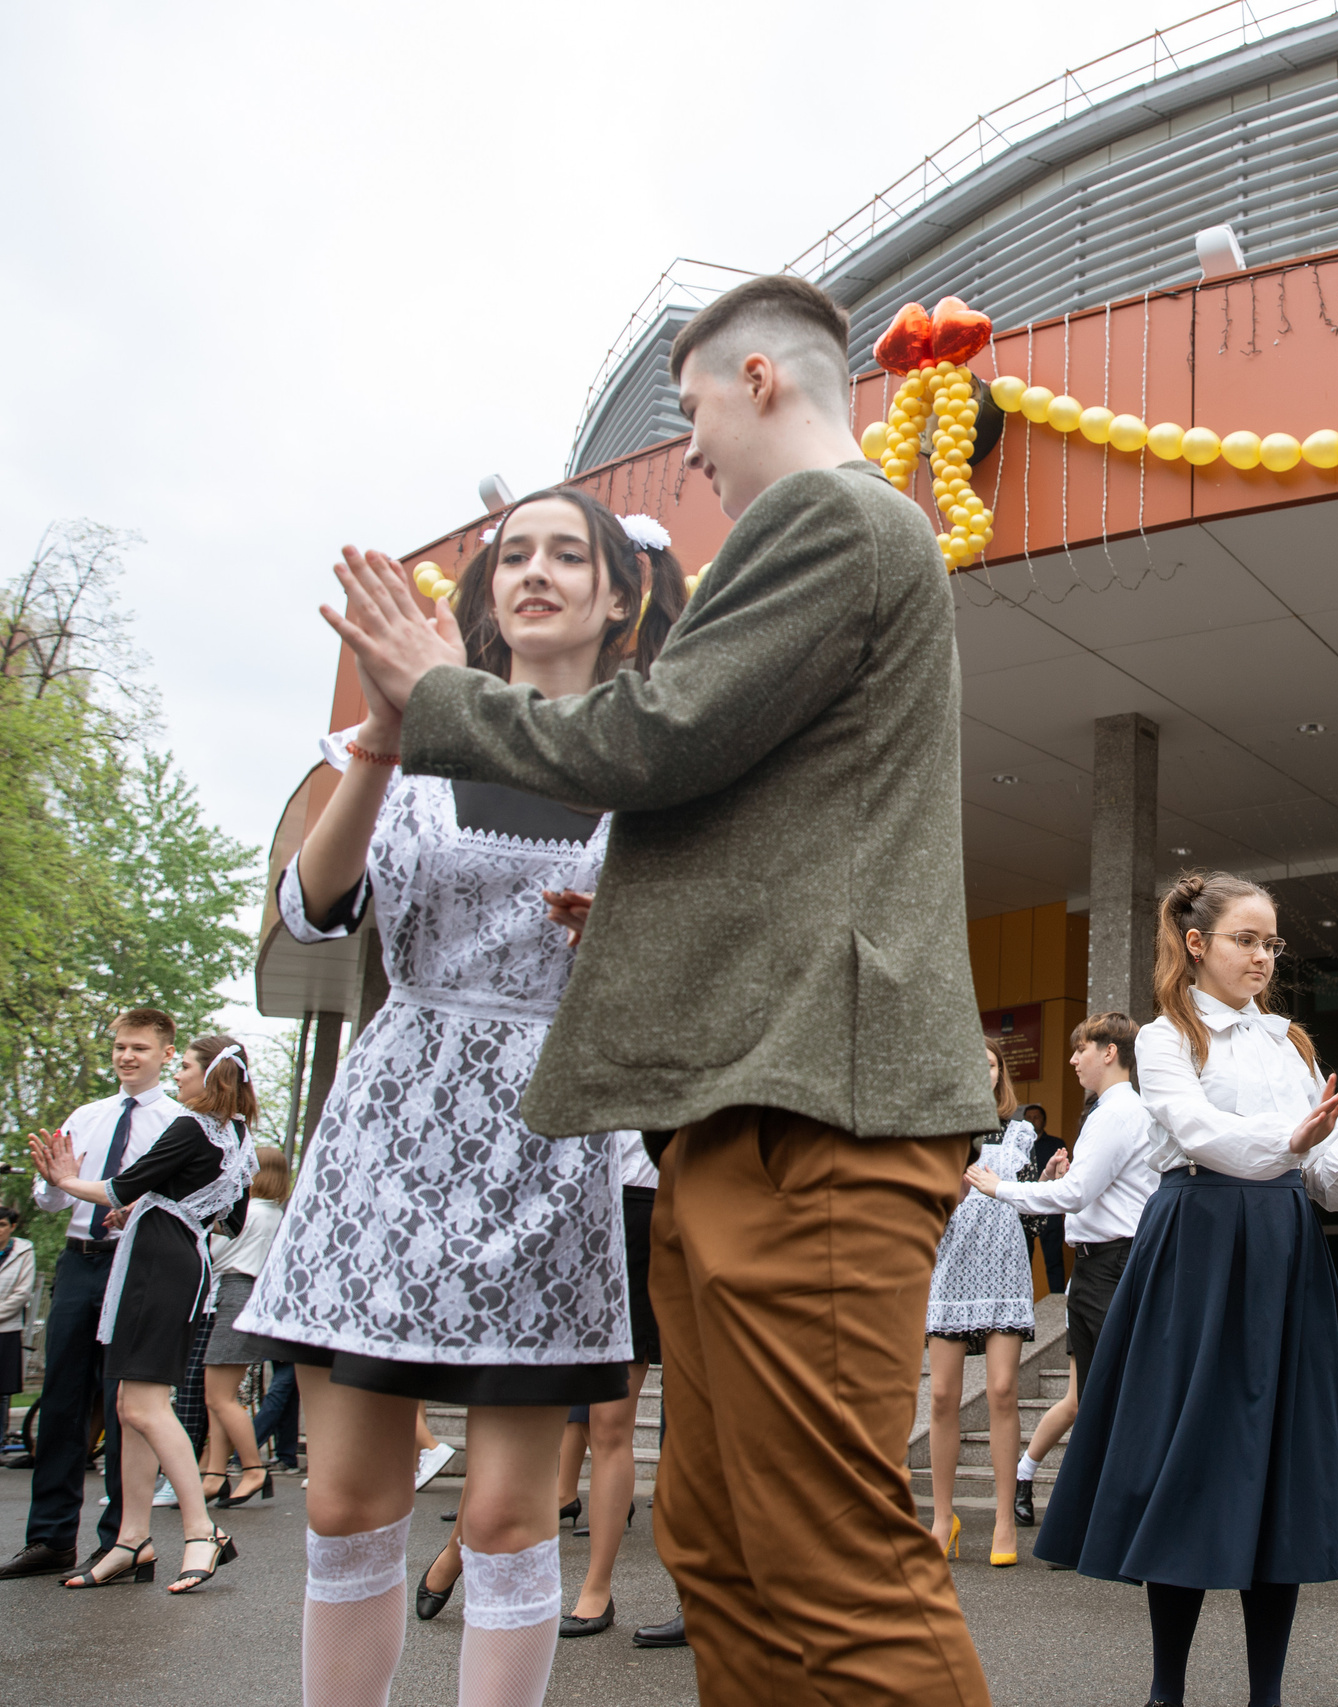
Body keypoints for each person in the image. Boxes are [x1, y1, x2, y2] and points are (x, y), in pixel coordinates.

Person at [322, 271, 996, 1707]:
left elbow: (656, 736)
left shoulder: (831, 515)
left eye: (688, 408)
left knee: (824, 1562)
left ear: (761, 380)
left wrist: (441, 688)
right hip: (759, 1099)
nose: (685, 451)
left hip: (819, 1104)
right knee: (723, 1543)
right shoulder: (851, 536)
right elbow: (723, 795)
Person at [251, 491, 680, 1707]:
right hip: (390, 1131)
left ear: (617, 596)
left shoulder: (645, 763)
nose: (534, 571)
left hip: (549, 1138)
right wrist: (387, 729)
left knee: (502, 1516)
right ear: (488, 593)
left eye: (568, 554)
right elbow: (312, 909)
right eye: (515, 553)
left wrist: (630, 940)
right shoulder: (408, 742)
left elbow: (700, 962)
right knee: (344, 1500)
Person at [1036, 872, 1338, 1707]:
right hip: (1196, 1248)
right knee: (1185, 1459)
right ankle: (1168, 1689)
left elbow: (1320, 1168)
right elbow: (1201, 1135)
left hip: (1284, 1249)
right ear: (1197, 943)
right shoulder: (1164, 1038)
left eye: (1272, 942)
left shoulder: (1291, 1042)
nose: (1264, 956)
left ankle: (1267, 1692)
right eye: (1246, 939)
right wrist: (1298, 1141)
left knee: (1279, 1466)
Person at [29, 1034, 258, 1593]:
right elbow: (230, 1217)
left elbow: (115, 1186)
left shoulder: (188, 1126)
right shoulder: (236, 1136)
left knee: (149, 1406)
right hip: (176, 1257)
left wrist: (62, 1180)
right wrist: (154, 1208)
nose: (178, 1076)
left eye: (183, 1066)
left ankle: (202, 1530)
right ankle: (131, 1539)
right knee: (130, 1406)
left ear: (209, 1076)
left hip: (158, 1267)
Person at [1, 1007, 181, 1581]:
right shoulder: (88, 1115)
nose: (127, 1057)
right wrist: (54, 1181)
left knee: (128, 1405)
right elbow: (53, 1199)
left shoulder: (180, 1123)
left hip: (138, 1268)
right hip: (80, 1265)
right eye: (120, 1047)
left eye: (140, 1048)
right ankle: (50, 1539)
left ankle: (123, 1542)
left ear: (166, 1055)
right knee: (60, 1402)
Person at [965, 1011, 1161, 1529]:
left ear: (1109, 1053)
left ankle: (1105, 1524)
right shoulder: (1116, 1110)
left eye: (1081, 1050)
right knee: (1101, 1398)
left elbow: (1076, 1195)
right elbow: (1084, 1193)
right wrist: (1058, 1181)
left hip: (1110, 1268)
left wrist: (1000, 1188)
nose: (1073, 1060)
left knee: (1103, 1401)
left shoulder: (1116, 1112)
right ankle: (1101, 1523)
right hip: (1106, 1266)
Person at [924, 1046, 1039, 1567]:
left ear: (1000, 1074)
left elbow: (1034, 1213)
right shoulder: (940, 1132)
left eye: (990, 1065)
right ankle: (941, 1517)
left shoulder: (1021, 1132)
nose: (982, 1072)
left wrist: (1048, 1178)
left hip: (1003, 1267)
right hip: (950, 1266)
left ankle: (999, 1518)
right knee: (944, 1394)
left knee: (1002, 1391)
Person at [557, 1129, 662, 1636]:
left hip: (657, 1214)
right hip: (589, 1213)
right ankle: (458, 1553)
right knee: (574, 1413)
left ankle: (597, 1587)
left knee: (614, 1421)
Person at [196, 1143, 292, 1507]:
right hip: (253, 1297)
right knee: (225, 1396)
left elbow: (213, 1254)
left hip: (234, 1292)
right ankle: (215, 1473)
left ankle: (252, 1468)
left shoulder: (247, 1212)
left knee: (217, 1396)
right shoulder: (276, 1215)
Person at [1016, 1103, 1070, 1296]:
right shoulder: (1018, 1145)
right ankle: (1024, 1300)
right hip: (1026, 1207)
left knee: (1054, 1258)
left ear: (1044, 1121)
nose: (1032, 1120)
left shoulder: (1055, 1144)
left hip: (1050, 1208)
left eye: (1036, 1117)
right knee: (1023, 1258)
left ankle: (1056, 1299)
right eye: (1028, 1117)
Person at [0, 1207, 34, 1459]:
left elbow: (22, 1293)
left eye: (2, 1224)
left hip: (6, 1328)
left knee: (2, 1390)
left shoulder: (23, 1251)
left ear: (12, 1227)